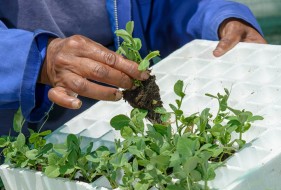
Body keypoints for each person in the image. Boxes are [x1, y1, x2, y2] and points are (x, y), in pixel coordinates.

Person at [0, 0, 266, 135]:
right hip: (20, 137)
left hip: (121, 129)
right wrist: (40, 58)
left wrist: (220, 17)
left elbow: (165, 6)